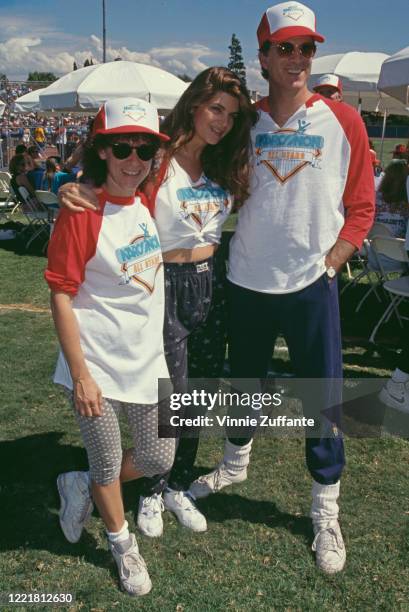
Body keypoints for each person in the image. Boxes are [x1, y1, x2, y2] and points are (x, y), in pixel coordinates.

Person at [189, 1, 375, 575]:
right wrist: (90, 188)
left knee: (323, 399)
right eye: (285, 48)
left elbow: (362, 206)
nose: (297, 58)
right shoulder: (241, 122)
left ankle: (325, 507)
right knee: (245, 384)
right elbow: (183, 161)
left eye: (306, 48)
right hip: (245, 280)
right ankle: (234, 461)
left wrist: (333, 259)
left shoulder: (343, 121)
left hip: (310, 286)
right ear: (264, 56)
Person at [57, 67, 256, 538]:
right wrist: (75, 185)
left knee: (197, 395)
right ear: (193, 105)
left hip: (214, 281)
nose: (223, 121)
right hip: (165, 283)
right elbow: (113, 188)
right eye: (215, 109)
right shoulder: (154, 156)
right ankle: (150, 489)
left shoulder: (222, 162)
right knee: (168, 396)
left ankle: (176, 485)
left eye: (231, 114)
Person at [44, 98, 175, 597]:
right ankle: (122, 546)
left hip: (146, 361)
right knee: (108, 462)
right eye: (122, 147)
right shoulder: (82, 212)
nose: (134, 159)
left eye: (144, 149)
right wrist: (81, 375)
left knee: (159, 455)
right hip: (96, 362)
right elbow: (60, 291)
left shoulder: (147, 195)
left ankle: (80, 484)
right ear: (102, 150)